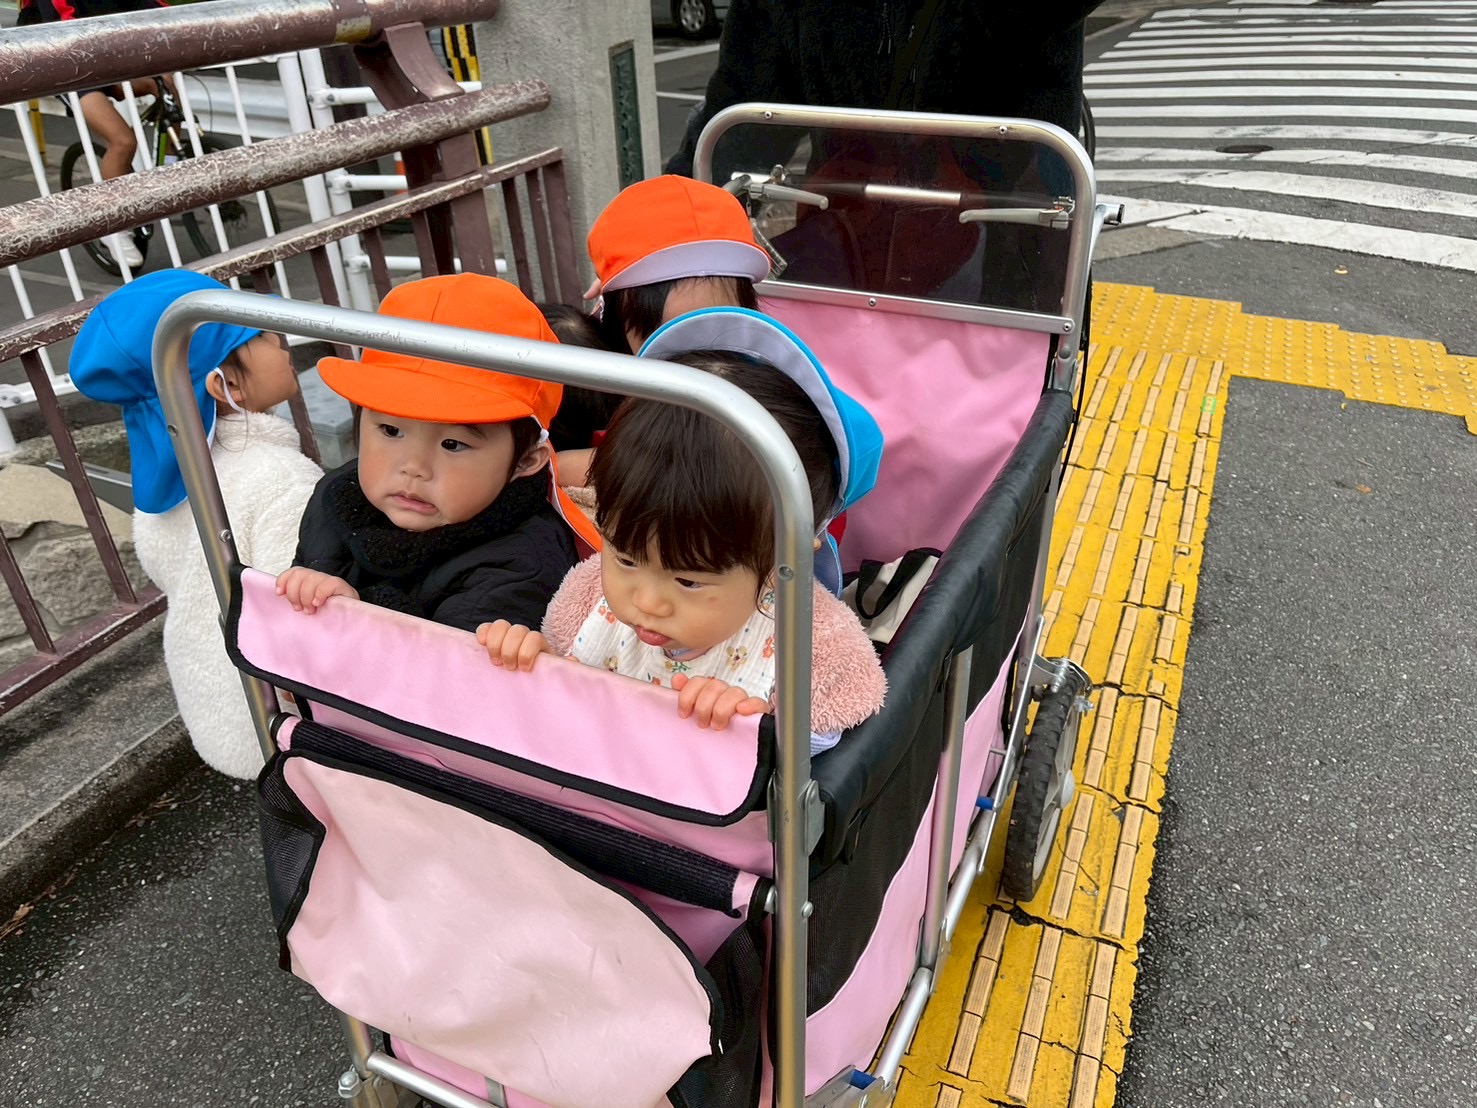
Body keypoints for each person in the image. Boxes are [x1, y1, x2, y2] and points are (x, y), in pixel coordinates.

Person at [479, 308, 886, 751]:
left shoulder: (809, 642)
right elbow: (569, 678)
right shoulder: (589, 597)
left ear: (783, 557)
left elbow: (831, 737)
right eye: (626, 558)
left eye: (688, 580)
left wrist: (763, 727)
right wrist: (536, 662)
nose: (646, 602)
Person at [664, 0, 1106, 311]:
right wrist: (671, 234)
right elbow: (741, 116)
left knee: (1008, 394)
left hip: (1009, 244)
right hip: (848, 236)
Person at [68, 269, 323, 779]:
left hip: (219, 701)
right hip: (288, 722)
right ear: (224, 384)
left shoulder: (174, 478)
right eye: (263, 335)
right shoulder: (281, 479)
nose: (282, 341)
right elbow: (305, 613)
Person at [278, 274, 598, 632]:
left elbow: (446, 665)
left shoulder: (521, 563)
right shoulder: (338, 496)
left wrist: (351, 619)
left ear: (525, 460)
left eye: (452, 444)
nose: (413, 467)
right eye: (391, 430)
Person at [19, 0, 172, 269]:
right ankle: (111, 227)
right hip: (68, 70)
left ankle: (172, 166)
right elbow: (66, 24)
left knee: (167, 85)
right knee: (122, 141)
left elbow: (155, 7)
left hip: (103, 60)